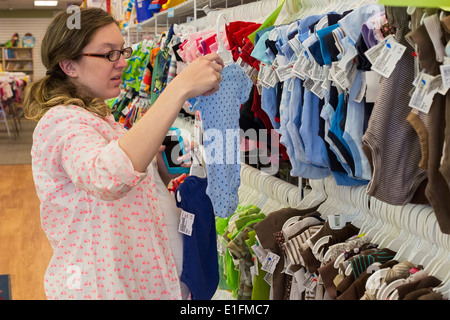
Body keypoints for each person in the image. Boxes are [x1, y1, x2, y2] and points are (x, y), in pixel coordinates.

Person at [23, 7, 224, 300]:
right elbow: (106, 177)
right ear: (69, 65)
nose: (123, 63)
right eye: (108, 54)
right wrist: (179, 87)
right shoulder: (61, 122)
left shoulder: (102, 119)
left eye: (122, 51)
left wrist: (159, 175)